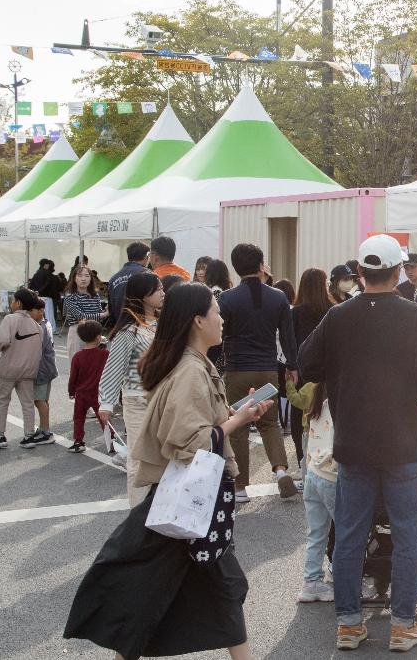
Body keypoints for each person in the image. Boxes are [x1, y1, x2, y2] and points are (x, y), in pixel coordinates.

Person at [64, 282, 272, 660]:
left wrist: (236, 416)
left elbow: (193, 428)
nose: (222, 319)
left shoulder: (191, 362)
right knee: (207, 584)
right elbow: (188, 443)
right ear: (197, 320)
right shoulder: (191, 370)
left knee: (177, 586)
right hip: (192, 498)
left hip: (188, 498)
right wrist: (235, 421)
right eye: (216, 311)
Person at [298, 234, 417, 653]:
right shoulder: (415, 315)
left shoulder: (339, 316)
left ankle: (348, 624)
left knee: (349, 533)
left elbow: (306, 363)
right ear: (399, 271)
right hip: (402, 442)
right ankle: (401, 626)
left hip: (352, 442)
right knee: (407, 534)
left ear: (360, 273)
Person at [220, 243, 299, 501]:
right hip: (267, 369)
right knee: (269, 422)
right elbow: (288, 337)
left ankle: (240, 487)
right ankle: (280, 471)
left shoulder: (227, 298)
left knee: (239, 425)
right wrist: (292, 366)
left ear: (235, 266)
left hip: (237, 369)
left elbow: (219, 336)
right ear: (260, 264)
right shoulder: (278, 297)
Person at [98, 271, 164, 504]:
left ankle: (155, 509)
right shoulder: (129, 329)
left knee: (161, 457)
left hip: (161, 400)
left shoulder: (160, 323)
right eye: (157, 289)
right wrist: (106, 403)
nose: (162, 293)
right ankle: (137, 513)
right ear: (144, 295)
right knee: (138, 459)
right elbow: (114, 368)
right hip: (137, 401)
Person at [283, 368, 338, 603]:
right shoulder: (338, 407)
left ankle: (311, 582)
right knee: (347, 531)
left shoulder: (316, 404)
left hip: (312, 474)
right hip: (332, 477)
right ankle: (340, 573)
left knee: (317, 533)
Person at [0, 289, 45, 450]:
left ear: (18, 303)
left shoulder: (10, 319)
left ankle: (0, 435)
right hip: (28, 371)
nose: (11, 303)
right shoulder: (36, 326)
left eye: (13, 300)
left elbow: (1, 342)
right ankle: (29, 435)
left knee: (2, 401)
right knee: (27, 403)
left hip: (9, 369)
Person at [67, 320, 109, 453]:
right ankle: (112, 440)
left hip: (81, 393)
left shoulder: (77, 356)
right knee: (103, 417)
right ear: (98, 337)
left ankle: (78, 441)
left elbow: (73, 376)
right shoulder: (104, 354)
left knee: (79, 418)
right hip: (99, 392)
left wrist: (71, 391)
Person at [64, 264, 106, 362]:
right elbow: (81, 317)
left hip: (95, 332)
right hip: (78, 331)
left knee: (94, 366)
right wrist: (104, 314)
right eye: (80, 276)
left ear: (91, 279)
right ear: (74, 278)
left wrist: (105, 312)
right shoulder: (70, 296)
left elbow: (99, 315)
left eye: (87, 276)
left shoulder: (94, 295)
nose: (83, 279)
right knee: (78, 364)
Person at [31, 299, 59, 446]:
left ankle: (46, 432)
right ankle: (43, 427)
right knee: (44, 400)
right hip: (49, 367)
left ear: (41, 310)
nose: (29, 314)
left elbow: (36, 350)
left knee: (39, 400)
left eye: (31, 311)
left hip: (41, 369)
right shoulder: (46, 323)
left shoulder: (39, 328)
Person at [106, 242, 151, 327]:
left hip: (119, 326)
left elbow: (110, 309)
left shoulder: (113, 278)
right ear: (146, 257)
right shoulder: (147, 274)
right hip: (140, 327)